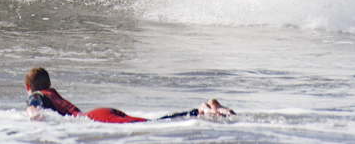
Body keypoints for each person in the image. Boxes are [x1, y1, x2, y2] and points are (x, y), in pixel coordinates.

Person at [24, 67, 235, 124]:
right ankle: (202, 109)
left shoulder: (36, 94)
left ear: (27, 86)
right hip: (99, 113)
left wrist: (33, 115)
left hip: (94, 118)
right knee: (149, 122)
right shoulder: (51, 92)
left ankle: (202, 111)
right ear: (49, 83)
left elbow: (34, 107)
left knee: (147, 124)